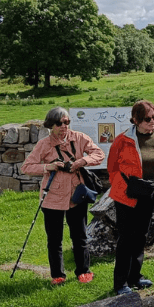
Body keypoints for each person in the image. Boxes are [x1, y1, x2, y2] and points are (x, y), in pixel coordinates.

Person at [22, 107, 105, 286]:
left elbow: (99, 154)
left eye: (66, 122)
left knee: (80, 236)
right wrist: (48, 167)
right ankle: (58, 275)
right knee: (54, 239)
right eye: (59, 123)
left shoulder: (80, 138)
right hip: (52, 198)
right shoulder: (44, 144)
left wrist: (82, 161)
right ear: (50, 125)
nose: (64, 126)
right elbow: (27, 167)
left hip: (77, 196)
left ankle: (83, 271)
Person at [106, 100, 154, 295]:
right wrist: (127, 186)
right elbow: (112, 167)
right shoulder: (122, 140)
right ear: (135, 120)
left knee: (141, 236)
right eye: (146, 119)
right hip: (126, 193)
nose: (152, 122)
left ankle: (135, 276)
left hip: (148, 192)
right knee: (126, 237)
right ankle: (121, 283)